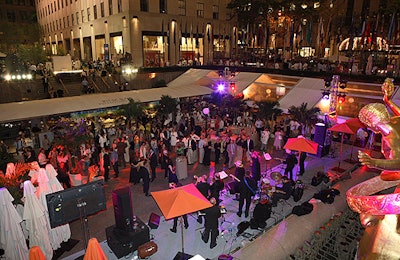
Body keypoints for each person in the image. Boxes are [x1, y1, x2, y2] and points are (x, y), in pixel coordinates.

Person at [348, 78, 400, 258]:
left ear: (372, 125)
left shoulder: (388, 135)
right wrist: (387, 100)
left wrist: (374, 162)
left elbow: (399, 163)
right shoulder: (396, 119)